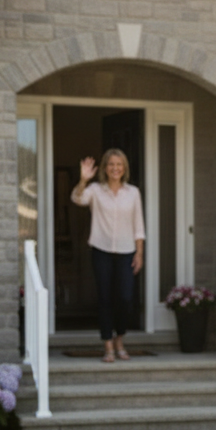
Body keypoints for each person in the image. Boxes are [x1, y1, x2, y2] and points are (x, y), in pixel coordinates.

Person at [71, 148, 145, 362]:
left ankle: (119, 337)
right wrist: (83, 180)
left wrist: (139, 253)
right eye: (111, 164)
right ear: (105, 168)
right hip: (101, 250)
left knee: (125, 298)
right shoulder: (95, 190)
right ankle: (108, 345)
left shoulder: (133, 193)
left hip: (127, 251)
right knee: (104, 298)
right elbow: (77, 198)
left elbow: (138, 224)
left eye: (119, 164)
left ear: (124, 169)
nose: (115, 168)